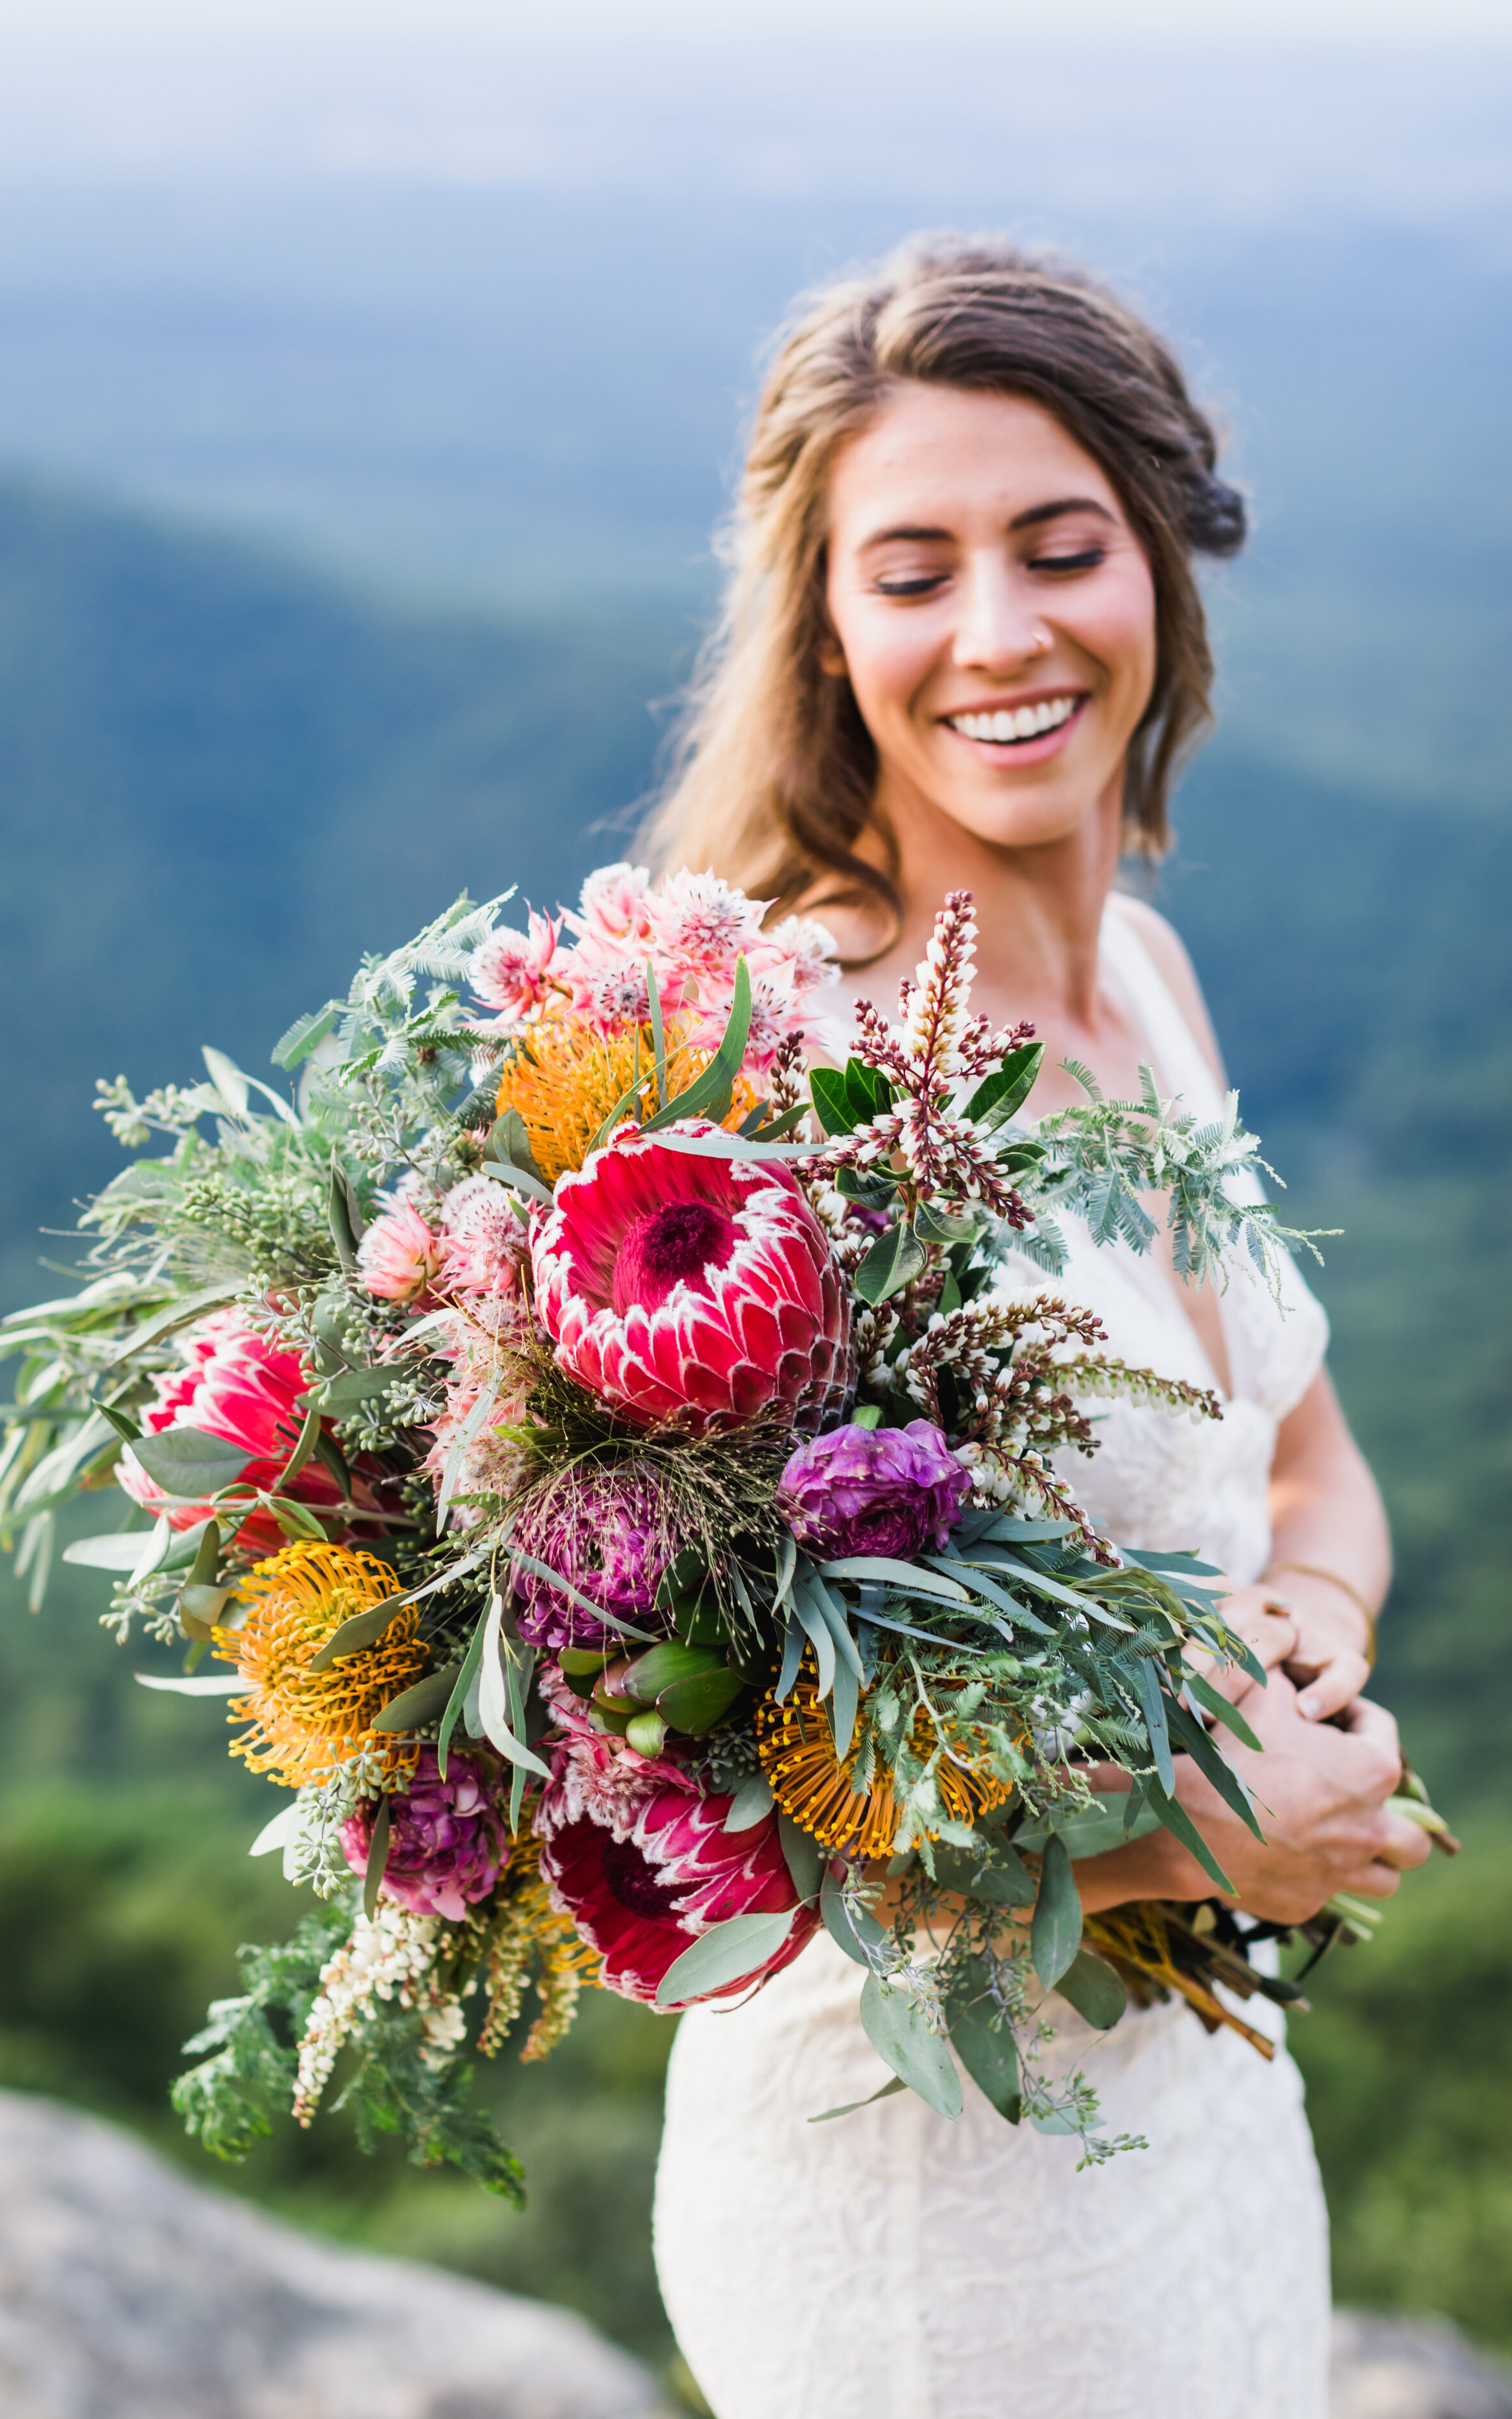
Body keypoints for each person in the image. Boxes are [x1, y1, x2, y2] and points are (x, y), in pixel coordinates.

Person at [646, 236, 1431, 2419]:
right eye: (911, 572)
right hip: (917, 2194)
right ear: (823, 627)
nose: (996, 633)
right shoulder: (767, 1080)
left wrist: (1297, 1633)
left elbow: (1295, 1449)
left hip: (1192, 2106)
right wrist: (1202, 1837)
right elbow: (696, 1790)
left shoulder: (1149, 987)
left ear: (1161, 563)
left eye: (1055, 546)